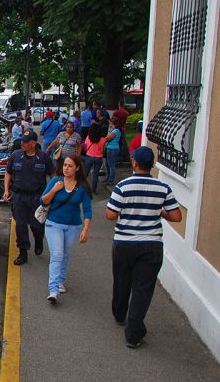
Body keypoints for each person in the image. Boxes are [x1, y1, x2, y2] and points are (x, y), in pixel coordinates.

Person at [106, 146, 182, 348]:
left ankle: (119, 314)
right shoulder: (163, 188)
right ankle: (133, 333)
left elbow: (111, 215)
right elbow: (176, 216)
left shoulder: (123, 186)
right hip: (151, 245)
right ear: (151, 166)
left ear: (134, 163)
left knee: (122, 281)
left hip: (124, 243)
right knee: (143, 288)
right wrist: (160, 213)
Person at [40, 155, 93, 303]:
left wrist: (86, 229)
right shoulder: (56, 181)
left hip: (73, 226)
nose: (66, 168)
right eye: (64, 165)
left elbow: (87, 210)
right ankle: (53, 290)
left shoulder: (82, 187)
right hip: (53, 224)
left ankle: (60, 281)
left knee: (65, 255)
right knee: (57, 255)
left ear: (77, 168)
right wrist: (54, 190)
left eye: (70, 166)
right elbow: (42, 201)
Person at [3, 130, 56, 265]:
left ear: (33, 143)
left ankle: (38, 240)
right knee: (20, 226)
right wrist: (6, 190)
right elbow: (8, 173)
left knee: (36, 226)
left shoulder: (43, 157)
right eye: (22, 141)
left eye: (26, 142)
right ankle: (23, 252)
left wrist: (53, 192)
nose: (23, 144)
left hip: (36, 198)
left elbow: (54, 176)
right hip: (19, 197)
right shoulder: (16, 155)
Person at [81, 125, 106, 194]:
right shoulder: (103, 139)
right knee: (95, 175)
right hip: (98, 159)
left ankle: (82, 188)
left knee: (85, 174)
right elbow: (102, 152)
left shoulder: (88, 138)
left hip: (89, 157)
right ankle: (93, 190)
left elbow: (85, 147)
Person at [104, 118, 121, 186]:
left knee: (111, 165)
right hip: (110, 148)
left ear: (112, 123)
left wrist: (104, 139)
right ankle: (108, 178)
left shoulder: (116, 131)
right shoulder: (112, 130)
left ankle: (110, 180)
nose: (109, 124)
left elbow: (107, 138)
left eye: (110, 123)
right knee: (108, 164)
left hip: (112, 149)